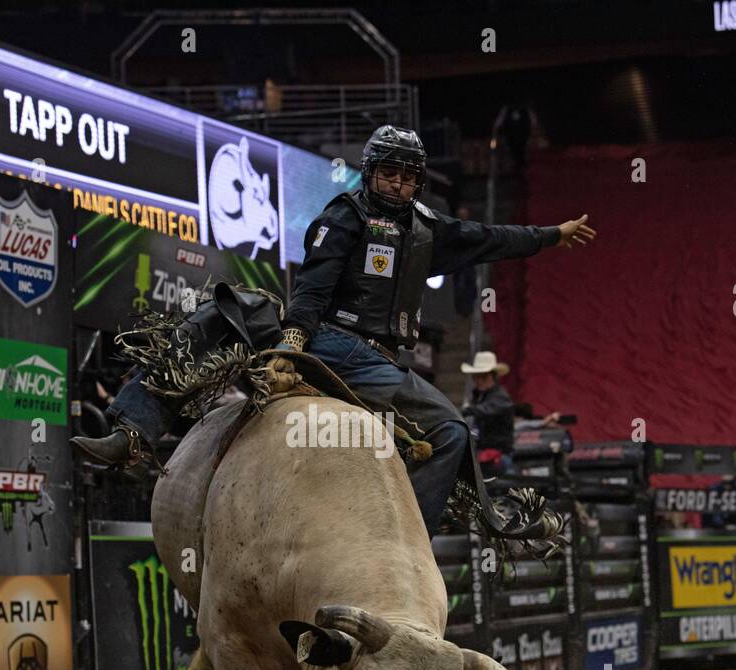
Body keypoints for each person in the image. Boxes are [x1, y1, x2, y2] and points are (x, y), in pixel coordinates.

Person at [74, 124, 596, 536]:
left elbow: (490, 237)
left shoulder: (427, 228)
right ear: (370, 173)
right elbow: (314, 284)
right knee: (231, 309)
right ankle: (130, 432)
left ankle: (400, 535)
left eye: (409, 177)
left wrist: (550, 235)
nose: (400, 184)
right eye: (390, 174)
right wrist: (296, 337)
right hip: (329, 342)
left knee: (453, 433)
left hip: (380, 362)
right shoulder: (342, 217)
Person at [460, 351, 515, 473]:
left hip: (498, 455)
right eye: (476, 377)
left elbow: (484, 410)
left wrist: (462, 411)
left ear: (492, 376)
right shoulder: (480, 396)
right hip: (482, 453)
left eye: (483, 377)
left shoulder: (500, 397)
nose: (478, 381)